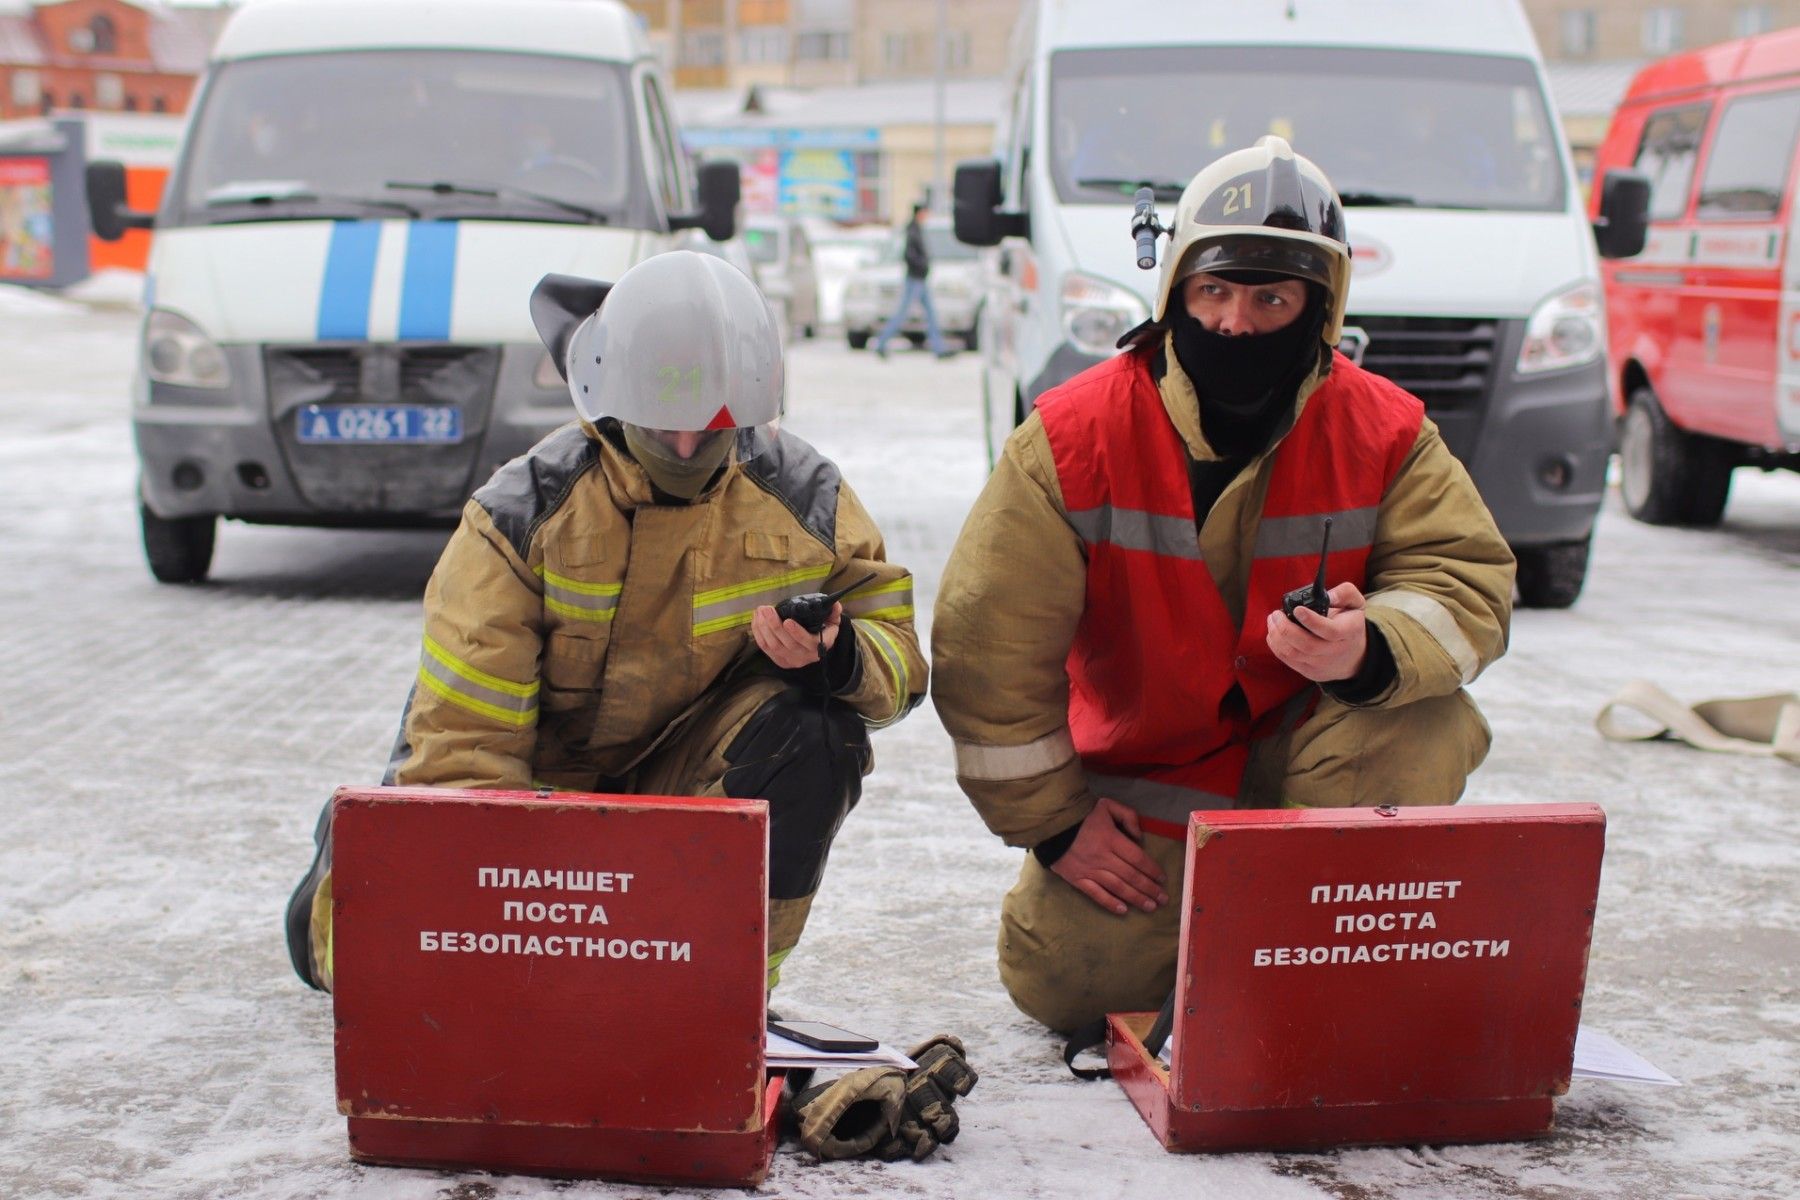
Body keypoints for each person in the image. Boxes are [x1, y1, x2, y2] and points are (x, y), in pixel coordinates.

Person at [930, 136, 1514, 1035]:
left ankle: (1321, 954)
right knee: (1074, 988)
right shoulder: (1072, 438)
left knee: (1425, 723)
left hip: (1323, 758)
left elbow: (1466, 578)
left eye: (1271, 297)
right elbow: (988, 648)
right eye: (1215, 291)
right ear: (1175, 294)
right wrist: (1056, 823)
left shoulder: (1386, 429)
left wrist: (1371, 647)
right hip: (1153, 777)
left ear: (1319, 307)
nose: (1237, 324)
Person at [286, 250, 927, 995]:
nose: (686, 448)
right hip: (532, 792)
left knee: (820, 736)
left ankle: (726, 992)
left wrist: (842, 655)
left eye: (712, 429)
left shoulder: (807, 501)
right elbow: (466, 758)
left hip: (677, 774)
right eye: (664, 427)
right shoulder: (519, 519)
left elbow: (902, 655)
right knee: (400, 970)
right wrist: (532, 942)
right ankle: (332, 887)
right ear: (611, 401)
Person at [874, 204, 952, 360]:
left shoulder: (917, 229)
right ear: (920, 213)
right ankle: (881, 343)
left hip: (920, 278)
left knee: (931, 315)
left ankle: (939, 348)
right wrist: (922, 265)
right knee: (902, 314)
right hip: (915, 278)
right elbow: (909, 255)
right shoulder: (912, 230)